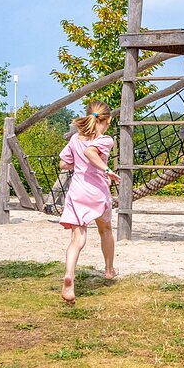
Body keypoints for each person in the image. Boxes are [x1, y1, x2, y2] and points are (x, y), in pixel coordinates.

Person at [58, 100, 120, 304]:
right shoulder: (105, 140)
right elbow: (90, 152)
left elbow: (63, 164)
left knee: (77, 239)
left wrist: (78, 164)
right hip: (96, 192)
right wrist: (107, 170)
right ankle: (109, 270)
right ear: (108, 120)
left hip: (77, 191)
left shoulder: (75, 138)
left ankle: (69, 276)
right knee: (106, 230)